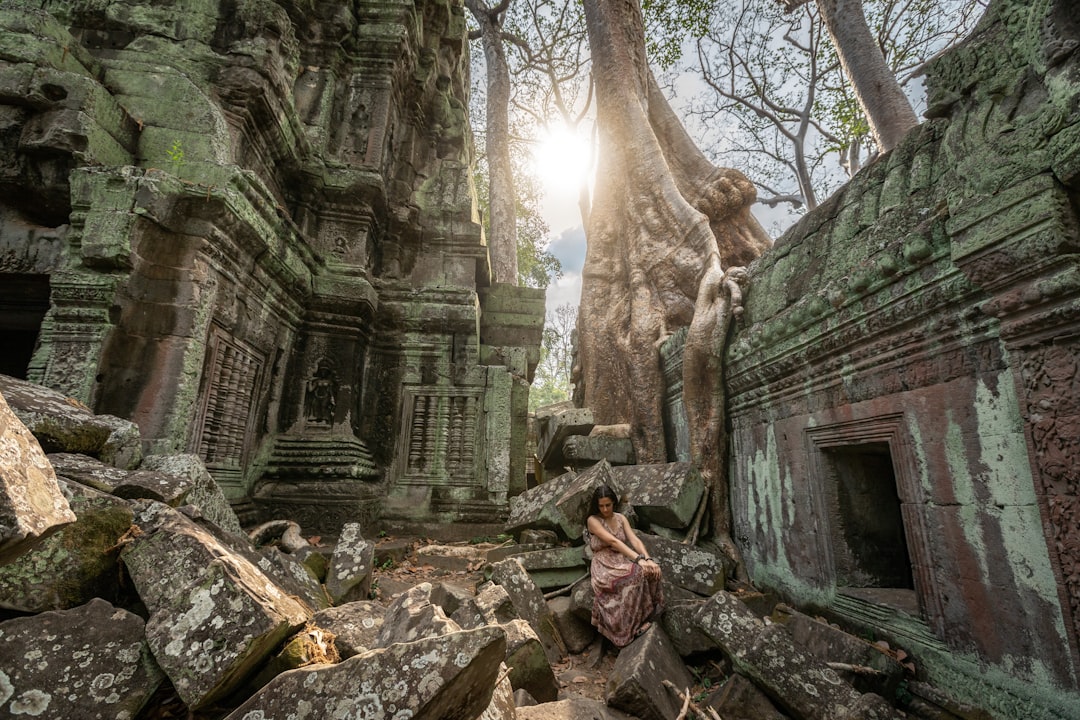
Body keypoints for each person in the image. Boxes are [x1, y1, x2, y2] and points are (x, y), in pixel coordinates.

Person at [586, 485, 664, 647]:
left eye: (608, 505)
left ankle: (647, 618)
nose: (605, 509)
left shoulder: (621, 518)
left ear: (614, 502)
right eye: (601, 505)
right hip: (603, 565)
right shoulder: (593, 520)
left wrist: (648, 560)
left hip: (621, 559)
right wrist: (638, 559)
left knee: (650, 571)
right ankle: (626, 630)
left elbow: (634, 540)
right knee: (635, 575)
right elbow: (613, 541)